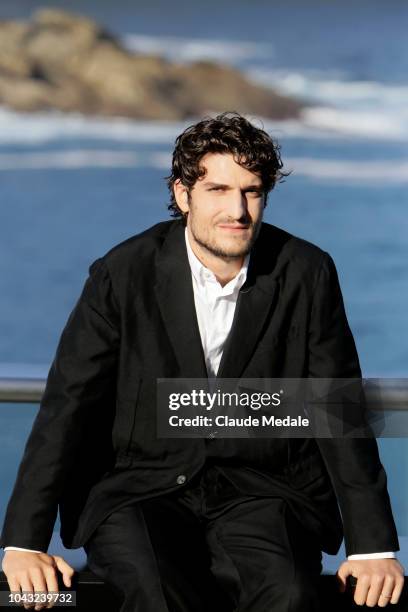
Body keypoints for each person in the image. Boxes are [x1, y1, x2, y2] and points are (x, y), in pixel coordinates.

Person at [1, 112, 405, 611]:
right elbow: (68, 405)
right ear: (182, 194)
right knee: (155, 593)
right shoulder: (123, 272)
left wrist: (373, 547)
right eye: (217, 189)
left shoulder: (307, 271)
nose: (237, 210)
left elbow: (336, 408)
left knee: (290, 593)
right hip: (138, 488)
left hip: (263, 489)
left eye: (252, 191)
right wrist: (24, 543)